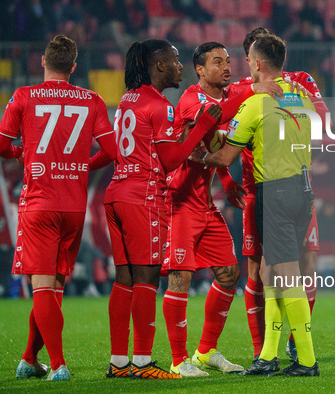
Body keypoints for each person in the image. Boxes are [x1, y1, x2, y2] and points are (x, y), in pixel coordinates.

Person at [0, 34, 117, 381]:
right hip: (73, 208)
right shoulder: (91, 101)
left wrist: (21, 154)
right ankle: (29, 359)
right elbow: (111, 151)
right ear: (74, 67)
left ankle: (59, 366)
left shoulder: (24, 96)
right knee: (54, 288)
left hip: (39, 203)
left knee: (43, 288)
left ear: (43, 62)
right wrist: (81, 168)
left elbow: (2, 145)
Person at [161, 41, 284, 377]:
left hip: (204, 199)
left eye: (228, 61)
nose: (226, 67)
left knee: (229, 274)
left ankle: (206, 351)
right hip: (179, 199)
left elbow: (209, 146)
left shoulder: (228, 99)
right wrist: (252, 89)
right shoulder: (191, 99)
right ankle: (177, 359)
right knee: (180, 277)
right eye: (217, 62)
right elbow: (209, 119)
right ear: (200, 70)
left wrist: (227, 181)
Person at [199, 34, 319, 377]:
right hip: (304, 189)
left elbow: (225, 155)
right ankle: (267, 355)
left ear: (258, 63)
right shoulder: (304, 98)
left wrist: (199, 156)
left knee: (285, 275)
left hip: (275, 192)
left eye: (249, 61)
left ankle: (307, 360)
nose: (246, 66)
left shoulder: (253, 104)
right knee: (270, 272)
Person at [104, 38, 221, 380]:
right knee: (146, 280)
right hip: (143, 195)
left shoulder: (127, 100)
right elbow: (169, 160)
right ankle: (141, 362)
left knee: (123, 280)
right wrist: (202, 126)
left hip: (116, 192)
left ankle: (119, 362)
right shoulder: (160, 105)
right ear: (159, 67)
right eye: (175, 60)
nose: (180, 65)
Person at [236, 27, 325, 364]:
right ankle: (266, 350)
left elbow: (322, 119)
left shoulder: (300, 81)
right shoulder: (247, 88)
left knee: (302, 266)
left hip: (286, 185)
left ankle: (297, 349)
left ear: (257, 61)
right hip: (254, 189)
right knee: (261, 270)